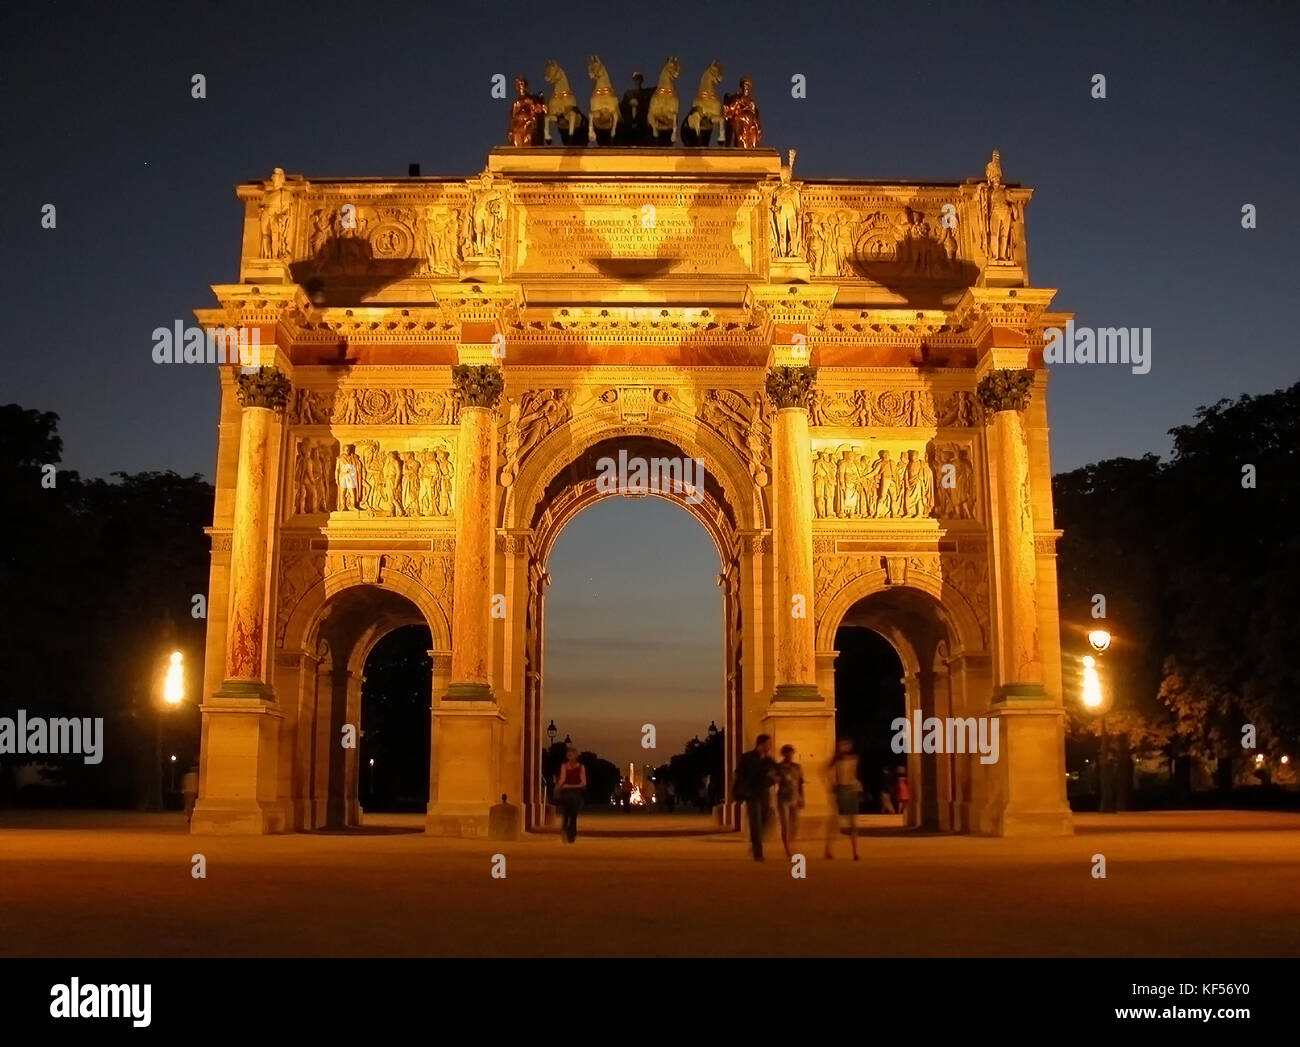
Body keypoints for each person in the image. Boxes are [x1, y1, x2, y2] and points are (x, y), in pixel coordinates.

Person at [733, 734, 777, 860]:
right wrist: (738, 791)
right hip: (751, 794)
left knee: (765, 819)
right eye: (768, 744)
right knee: (755, 823)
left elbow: (778, 773)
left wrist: (775, 779)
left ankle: (756, 843)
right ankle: (758, 853)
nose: (770, 746)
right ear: (761, 744)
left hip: (764, 793)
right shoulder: (747, 758)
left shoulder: (769, 760)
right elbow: (738, 774)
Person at [825, 738, 861, 860]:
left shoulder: (853, 758)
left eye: (846, 745)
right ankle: (828, 849)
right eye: (842, 745)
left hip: (850, 789)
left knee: (853, 823)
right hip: (841, 789)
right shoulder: (836, 760)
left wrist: (856, 783)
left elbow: (853, 774)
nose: (844, 747)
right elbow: (824, 771)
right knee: (835, 821)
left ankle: (855, 852)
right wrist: (831, 783)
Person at [774, 745, 805, 858]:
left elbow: (800, 783)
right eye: (788, 754)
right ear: (783, 754)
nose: (790, 756)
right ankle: (787, 848)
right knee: (785, 824)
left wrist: (802, 797)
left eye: (791, 753)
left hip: (794, 797)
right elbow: (774, 780)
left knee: (795, 825)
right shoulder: (778, 767)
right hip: (783, 798)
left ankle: (792, 844)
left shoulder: (797, 767)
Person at [555, 748, 586, 843]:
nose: (570, 757)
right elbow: (583, 783)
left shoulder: (579, 767)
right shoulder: (567, 766)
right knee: (572, 814)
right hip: (573, 792)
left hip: (570, 791)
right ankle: (570, 833)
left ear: (576, 756)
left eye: (571, 755)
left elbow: (583, 782)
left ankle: (567, 830)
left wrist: (561, 786)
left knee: (569, 814)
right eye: (569, 755)